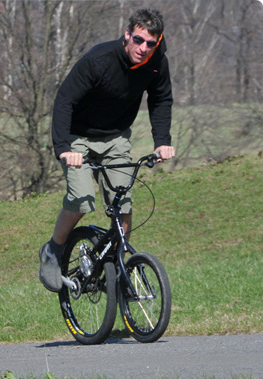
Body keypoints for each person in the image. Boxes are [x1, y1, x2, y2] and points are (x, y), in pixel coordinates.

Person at [38, 8, 176, 292]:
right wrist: (64, 149)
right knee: (81, 199)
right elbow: (64, 101)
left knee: (123, 203)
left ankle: (119, 269)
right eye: (138, 40)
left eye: (151, 43)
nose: (143, 48)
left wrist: (161, 141)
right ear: (127, 34)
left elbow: (161, 99)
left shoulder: (156, 63)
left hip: (115, 138)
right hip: (78, 137)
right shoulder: (99, 60)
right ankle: (52, 250)